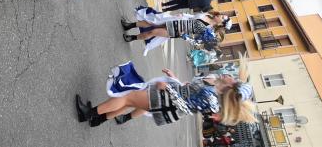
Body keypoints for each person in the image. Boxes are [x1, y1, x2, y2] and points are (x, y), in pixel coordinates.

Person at [75, 55, 256, 127]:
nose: (229, 75)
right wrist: (174, 79)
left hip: (164, 101)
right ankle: (98, 119)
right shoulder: (213, 88)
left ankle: (88, 113)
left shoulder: (211, 98)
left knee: (127, 98)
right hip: (165, 99)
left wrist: (168, 88)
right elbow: (188, 91)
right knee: (129, 101)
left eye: (234, 78)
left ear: (232, 86)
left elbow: (185, 108)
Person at [121, 10, 231, 43]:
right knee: (152, 22)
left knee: (153, 32)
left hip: (178, 31)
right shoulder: (207, 14)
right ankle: (129, 25)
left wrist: (185, 36)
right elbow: (193, 16)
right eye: (222, 15)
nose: (221, 15)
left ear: (221, 24)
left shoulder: (209, 31)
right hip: (177, 20)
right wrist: (183, 15)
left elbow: (196, 41)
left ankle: (132, 38)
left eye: (222, 18)